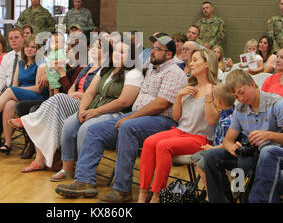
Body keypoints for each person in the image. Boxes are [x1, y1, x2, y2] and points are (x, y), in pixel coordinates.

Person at [55, 33, 187, 203]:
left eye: (156, 49)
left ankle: (122, 190)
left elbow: (161, 105)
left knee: (127, 127)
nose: (152, 52)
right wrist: (130, 116)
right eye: (152, 48)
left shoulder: (174, 72)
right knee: (95, 130)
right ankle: (85, 180)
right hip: (141, 116)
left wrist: (129, 117)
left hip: (162, 121)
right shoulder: (153, 70)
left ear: (169, 54)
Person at [11, 37, 106, 177]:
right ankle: (39, 160)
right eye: (92, 46)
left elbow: (96, 93)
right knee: (45, 110)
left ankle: (27, 121)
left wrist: (81, 94)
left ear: (106, 53)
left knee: (57, 98)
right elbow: (70, 89)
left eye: (97, 47)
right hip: (70, 100)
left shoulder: (104, 70)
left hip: (86, 104)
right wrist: (73, 93)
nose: (92, 49)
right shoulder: (84, 68)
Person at [203, 69, 283, 203]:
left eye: (241, 92)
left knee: (248, 161)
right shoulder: (240, 108)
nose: (240, 99)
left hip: (277, 154)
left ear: (252, 84)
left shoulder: (277, 104)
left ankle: (245, 198)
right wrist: (232, 147)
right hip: (254, 154)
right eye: (236, 97)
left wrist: (269, 135)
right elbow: (227, 141)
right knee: (211, 156)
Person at [52, 37, 144, 177]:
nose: (117, 54)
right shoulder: (106, 70)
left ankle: (83, 172)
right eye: (116, 51)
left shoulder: (133, 74)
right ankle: (67, 168)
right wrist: (82, 110)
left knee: (86, 128)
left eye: (122, 52)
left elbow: (124, 102)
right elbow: (90, 92)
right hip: (93, 109)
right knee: (70, 123)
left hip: (115, 114)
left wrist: (96, 111)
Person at [137, 49, 219, 203]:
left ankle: (157, 195)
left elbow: (212, 120)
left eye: (195, 60)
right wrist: (180, 95)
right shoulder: (189, 87)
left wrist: (208, 96)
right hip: (180, 131)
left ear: (206, 64)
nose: (191, 64)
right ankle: (143, 193)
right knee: (149, 142)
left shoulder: (215, 90)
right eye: (191, 60)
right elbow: (176, 117)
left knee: (163, 146)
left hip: (201, 138)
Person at [190, 84, 239, 202]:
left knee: (204, 161)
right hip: (217, 149)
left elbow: (228, 143)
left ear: (219, 102)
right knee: (196, 157)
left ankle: (215, 194)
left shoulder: (229, 120)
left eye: (213, 99)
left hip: (226, 152)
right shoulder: (224, 115)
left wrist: (213, 148)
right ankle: (209, 191)